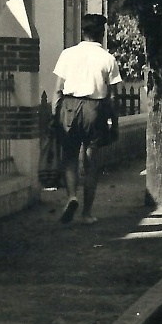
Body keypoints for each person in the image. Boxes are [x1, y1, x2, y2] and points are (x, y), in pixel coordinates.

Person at [52, 13, 122, 225]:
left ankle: (72, 196)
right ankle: (87, 213)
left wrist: (55, 115)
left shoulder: (67, 54)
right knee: (92, 162)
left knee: (70, 157)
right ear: (102, 33)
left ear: (82, 31)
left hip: (70, 107)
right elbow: (113, 96)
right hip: (95, 108)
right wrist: (114, 122)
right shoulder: (108, 58)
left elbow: (57, 89)